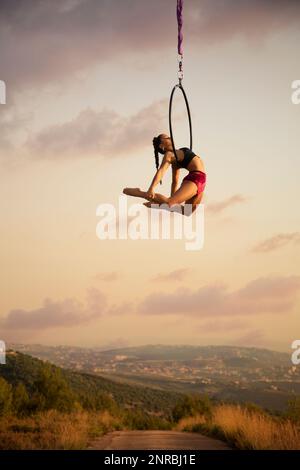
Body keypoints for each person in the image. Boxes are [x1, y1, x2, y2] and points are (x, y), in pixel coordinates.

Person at [123, 133, 206, 215]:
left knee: (187, 212)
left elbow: (175, 181)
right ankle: (140, 193)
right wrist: (152, 188)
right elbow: (161, 171)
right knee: (170, 203)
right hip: (195, 178)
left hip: (202, 181)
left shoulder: (178, 154)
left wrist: (171, 203)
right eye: (167, 138)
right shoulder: (168, 155)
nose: (170, 137)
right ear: (161, 146)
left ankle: (159, 205)